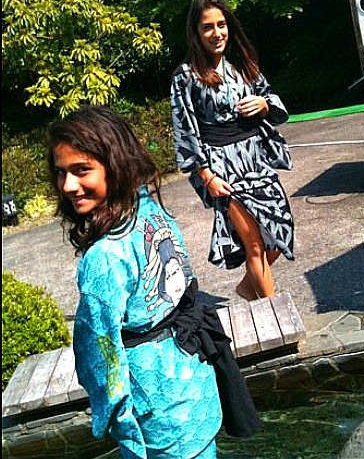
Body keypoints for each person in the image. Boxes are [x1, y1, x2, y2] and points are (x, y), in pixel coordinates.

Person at [47, 106, 260, 459]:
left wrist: (120, 425)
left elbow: (99, 354)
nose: (68, 185)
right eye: (61, 173)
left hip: (158, 407)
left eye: (81, 170)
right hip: (195, 377)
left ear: (114, 165)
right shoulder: (146, 207)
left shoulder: (104, 257)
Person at [171, 0, 294, 301]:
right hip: (222, 167)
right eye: (207, 27)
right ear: (196, 34)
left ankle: (246, 288)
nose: (217, 33)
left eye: (221, 25)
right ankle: (274, 318)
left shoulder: (243, 66)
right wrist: (206, 176)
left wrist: (264, 104)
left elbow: (272, 99)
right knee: (253, 245)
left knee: (278, 237)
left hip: (257, 160)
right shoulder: (186, 77)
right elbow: (185, 129)